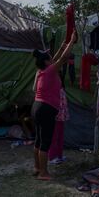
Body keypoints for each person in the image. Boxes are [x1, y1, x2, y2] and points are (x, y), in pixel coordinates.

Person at [32, 31, 76, 181]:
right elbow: (63, 59)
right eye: (49, 58)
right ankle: (43, 173)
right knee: (45, 142)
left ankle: (37, 168)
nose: (52, 59)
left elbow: (56, 58)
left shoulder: (42, 72)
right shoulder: (50, 71)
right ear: (46, 62)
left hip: (37, 107)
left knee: (38, 140)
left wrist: (63, 44)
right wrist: (71, 41)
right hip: (46, 109)